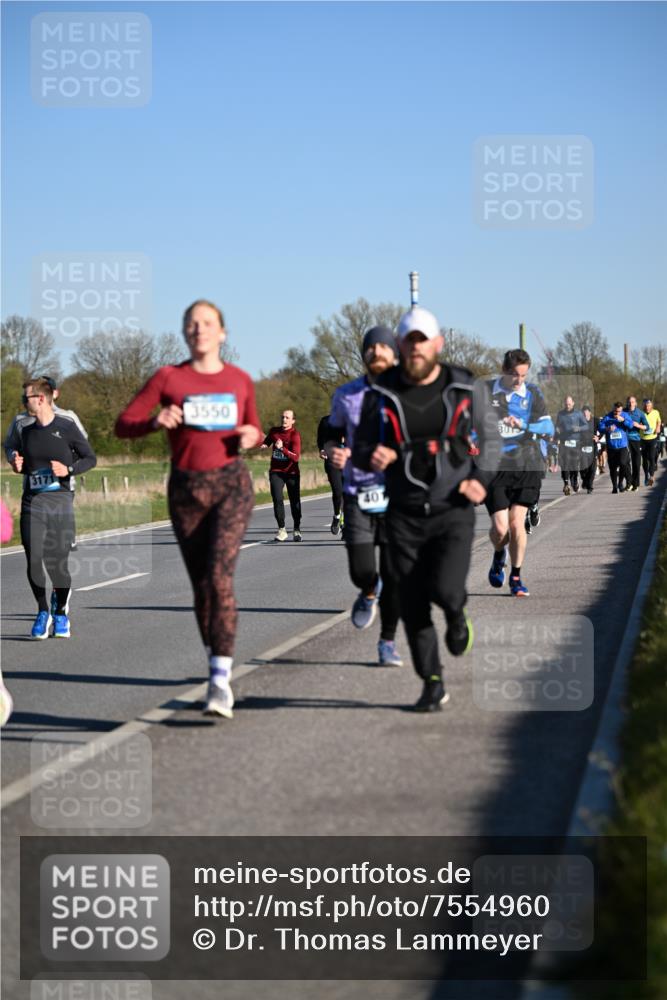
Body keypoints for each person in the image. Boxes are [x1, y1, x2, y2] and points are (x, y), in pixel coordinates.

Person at [115, 299, 263, 718]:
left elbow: (251, 426)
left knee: (219, 578)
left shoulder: (239, 380)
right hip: (185, 489)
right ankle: (214, 657)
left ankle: (220, 681)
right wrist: (154, 422)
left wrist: (251, 435)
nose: (199, 329)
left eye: (207, 323)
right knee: (202, 587)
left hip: (230, 485)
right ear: (184, 332)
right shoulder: (168, 378)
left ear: (222, 333)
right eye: (191, 323)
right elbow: (123, 424)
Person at [354, 307, 499, 711]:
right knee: (412, 600)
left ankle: (456, 615)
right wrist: (372, 455)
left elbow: (491, 438)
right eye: (409, 342)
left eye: (423, 342)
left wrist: (480, 480)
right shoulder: (381, 391)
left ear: (437, 344)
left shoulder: (464, 385)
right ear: (400, 347)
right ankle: (432, 682)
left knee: (446, 590)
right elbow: (361, 444)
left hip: (453, 506)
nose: (416, 349)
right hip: (402, 511)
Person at [325, 326, 403, 667]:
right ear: (364, 354)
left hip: (398, 493)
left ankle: (387, 643)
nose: (377, 352)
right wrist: (333, 450)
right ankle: (369, 590)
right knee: (361, 568)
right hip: (359, 491)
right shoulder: (347, 394)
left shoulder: (409, 395)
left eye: (385, 347)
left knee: (395, 573)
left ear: (395, 355)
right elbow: (331, 433)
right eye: (372, 347)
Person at [9, 378, 96, 638]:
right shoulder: (25, 430)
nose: (24, 403)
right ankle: (43, 610)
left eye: (27, 398)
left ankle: (60, 613)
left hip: (60, 502)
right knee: (34, 558)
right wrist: (16, 463)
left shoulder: (67, 425)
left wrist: (68, 469)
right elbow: (20, 459)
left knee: (58, 563)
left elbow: (90, 458)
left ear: (41, 399)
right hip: (32, 503)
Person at [484, 349, 554, 597]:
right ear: (504, 371)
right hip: (495, 466)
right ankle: (498, 553)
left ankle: (515, 576)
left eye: (523, 375)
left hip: (526, 463)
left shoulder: (532, 393)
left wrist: (523, 424)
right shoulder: (486, 391)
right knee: (500, 530)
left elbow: (548, 426)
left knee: (516, 523)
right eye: (515, 375)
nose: (519, 381)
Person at [4, 374, 88, 559]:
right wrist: (13, 457)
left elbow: (83, 445)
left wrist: (67, 467)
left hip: (62, 484)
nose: (26, 401)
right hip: (33, 487)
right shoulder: (21, 421)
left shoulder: (68, 417)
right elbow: (9, 445)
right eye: (24, 398)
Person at [261, 410, 302, 542]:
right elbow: (267, 441)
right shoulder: (274, 431)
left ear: (293, 421)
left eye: (287, 417)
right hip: (276, 471)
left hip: (291, 472)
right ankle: (282, 529)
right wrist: (264, 445)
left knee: (294, 500)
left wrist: (282, 449)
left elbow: (296, 458)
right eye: (283, 417)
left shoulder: (295, 435)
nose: (284, 419)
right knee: (277, 498)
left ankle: (297, 528)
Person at [555, 395, 588, 495]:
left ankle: (574, 481)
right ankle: (566, 484)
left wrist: (579, 428)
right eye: (566, 404)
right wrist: (556, 433)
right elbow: (557, 426)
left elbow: (586, 425)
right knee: (564, 464)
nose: (568, 406)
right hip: (564, 443)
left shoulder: (578, 414)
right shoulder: (560, 414)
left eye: (569, 404)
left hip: (575, 443)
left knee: (573, 464)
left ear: (573, 403)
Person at [597, 403, 633, 493]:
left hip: (622, 446)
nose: (617, 413)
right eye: (615, 411)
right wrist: (607, 429)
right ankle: (614, 486)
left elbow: (631, 425)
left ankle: (620, 483)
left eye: (619, 411)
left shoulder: (625, 415)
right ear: (613, 409)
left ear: (621, 410)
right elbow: (600, 427)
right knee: (612, 468)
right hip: (611, 446)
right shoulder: (608, 416)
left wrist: (623, 420)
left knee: (623, 464)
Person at [317, 414, 344, 535]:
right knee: (338, 492)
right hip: (332, 460)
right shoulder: (326, 421)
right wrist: (321, 449)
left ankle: (345, 526)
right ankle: (337, 516)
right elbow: (320, 439)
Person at [624, 395, 650, 491]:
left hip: (636, 439)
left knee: (636, 462)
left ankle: (635, 483)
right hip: (625, 439)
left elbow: (647, 427)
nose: (631, 404)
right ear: (627, 403)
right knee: (625, 461)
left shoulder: (640, 413)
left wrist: (638, 425)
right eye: (629, 402)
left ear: (636, 403)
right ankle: (629, 482)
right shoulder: (623, 412)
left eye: (632, 402)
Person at [640, 398, 661, 486]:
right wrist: (640, 426)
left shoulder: (656, 412)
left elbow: (658, 421)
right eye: (645, 406)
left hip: (653, 437)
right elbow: (637, 423)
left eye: (648, 405)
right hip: (643, 438)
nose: (647, 407)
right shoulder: (641, 413)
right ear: (643, 406)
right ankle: (646, 476)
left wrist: (658, 427)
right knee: (644, 459)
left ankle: (651, 476)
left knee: (652, 457)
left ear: (651, 405)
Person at [579, 404, 597, 494]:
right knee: (583, 468)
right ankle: (585, 480)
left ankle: (590, 485)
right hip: (582, 448)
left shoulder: (595, 421)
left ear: (590, 413)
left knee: (592, 469)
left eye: (586, 414)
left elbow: (601, 430)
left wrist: (598, 437)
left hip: (592, 447)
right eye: (583, 414)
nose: (585, 416)